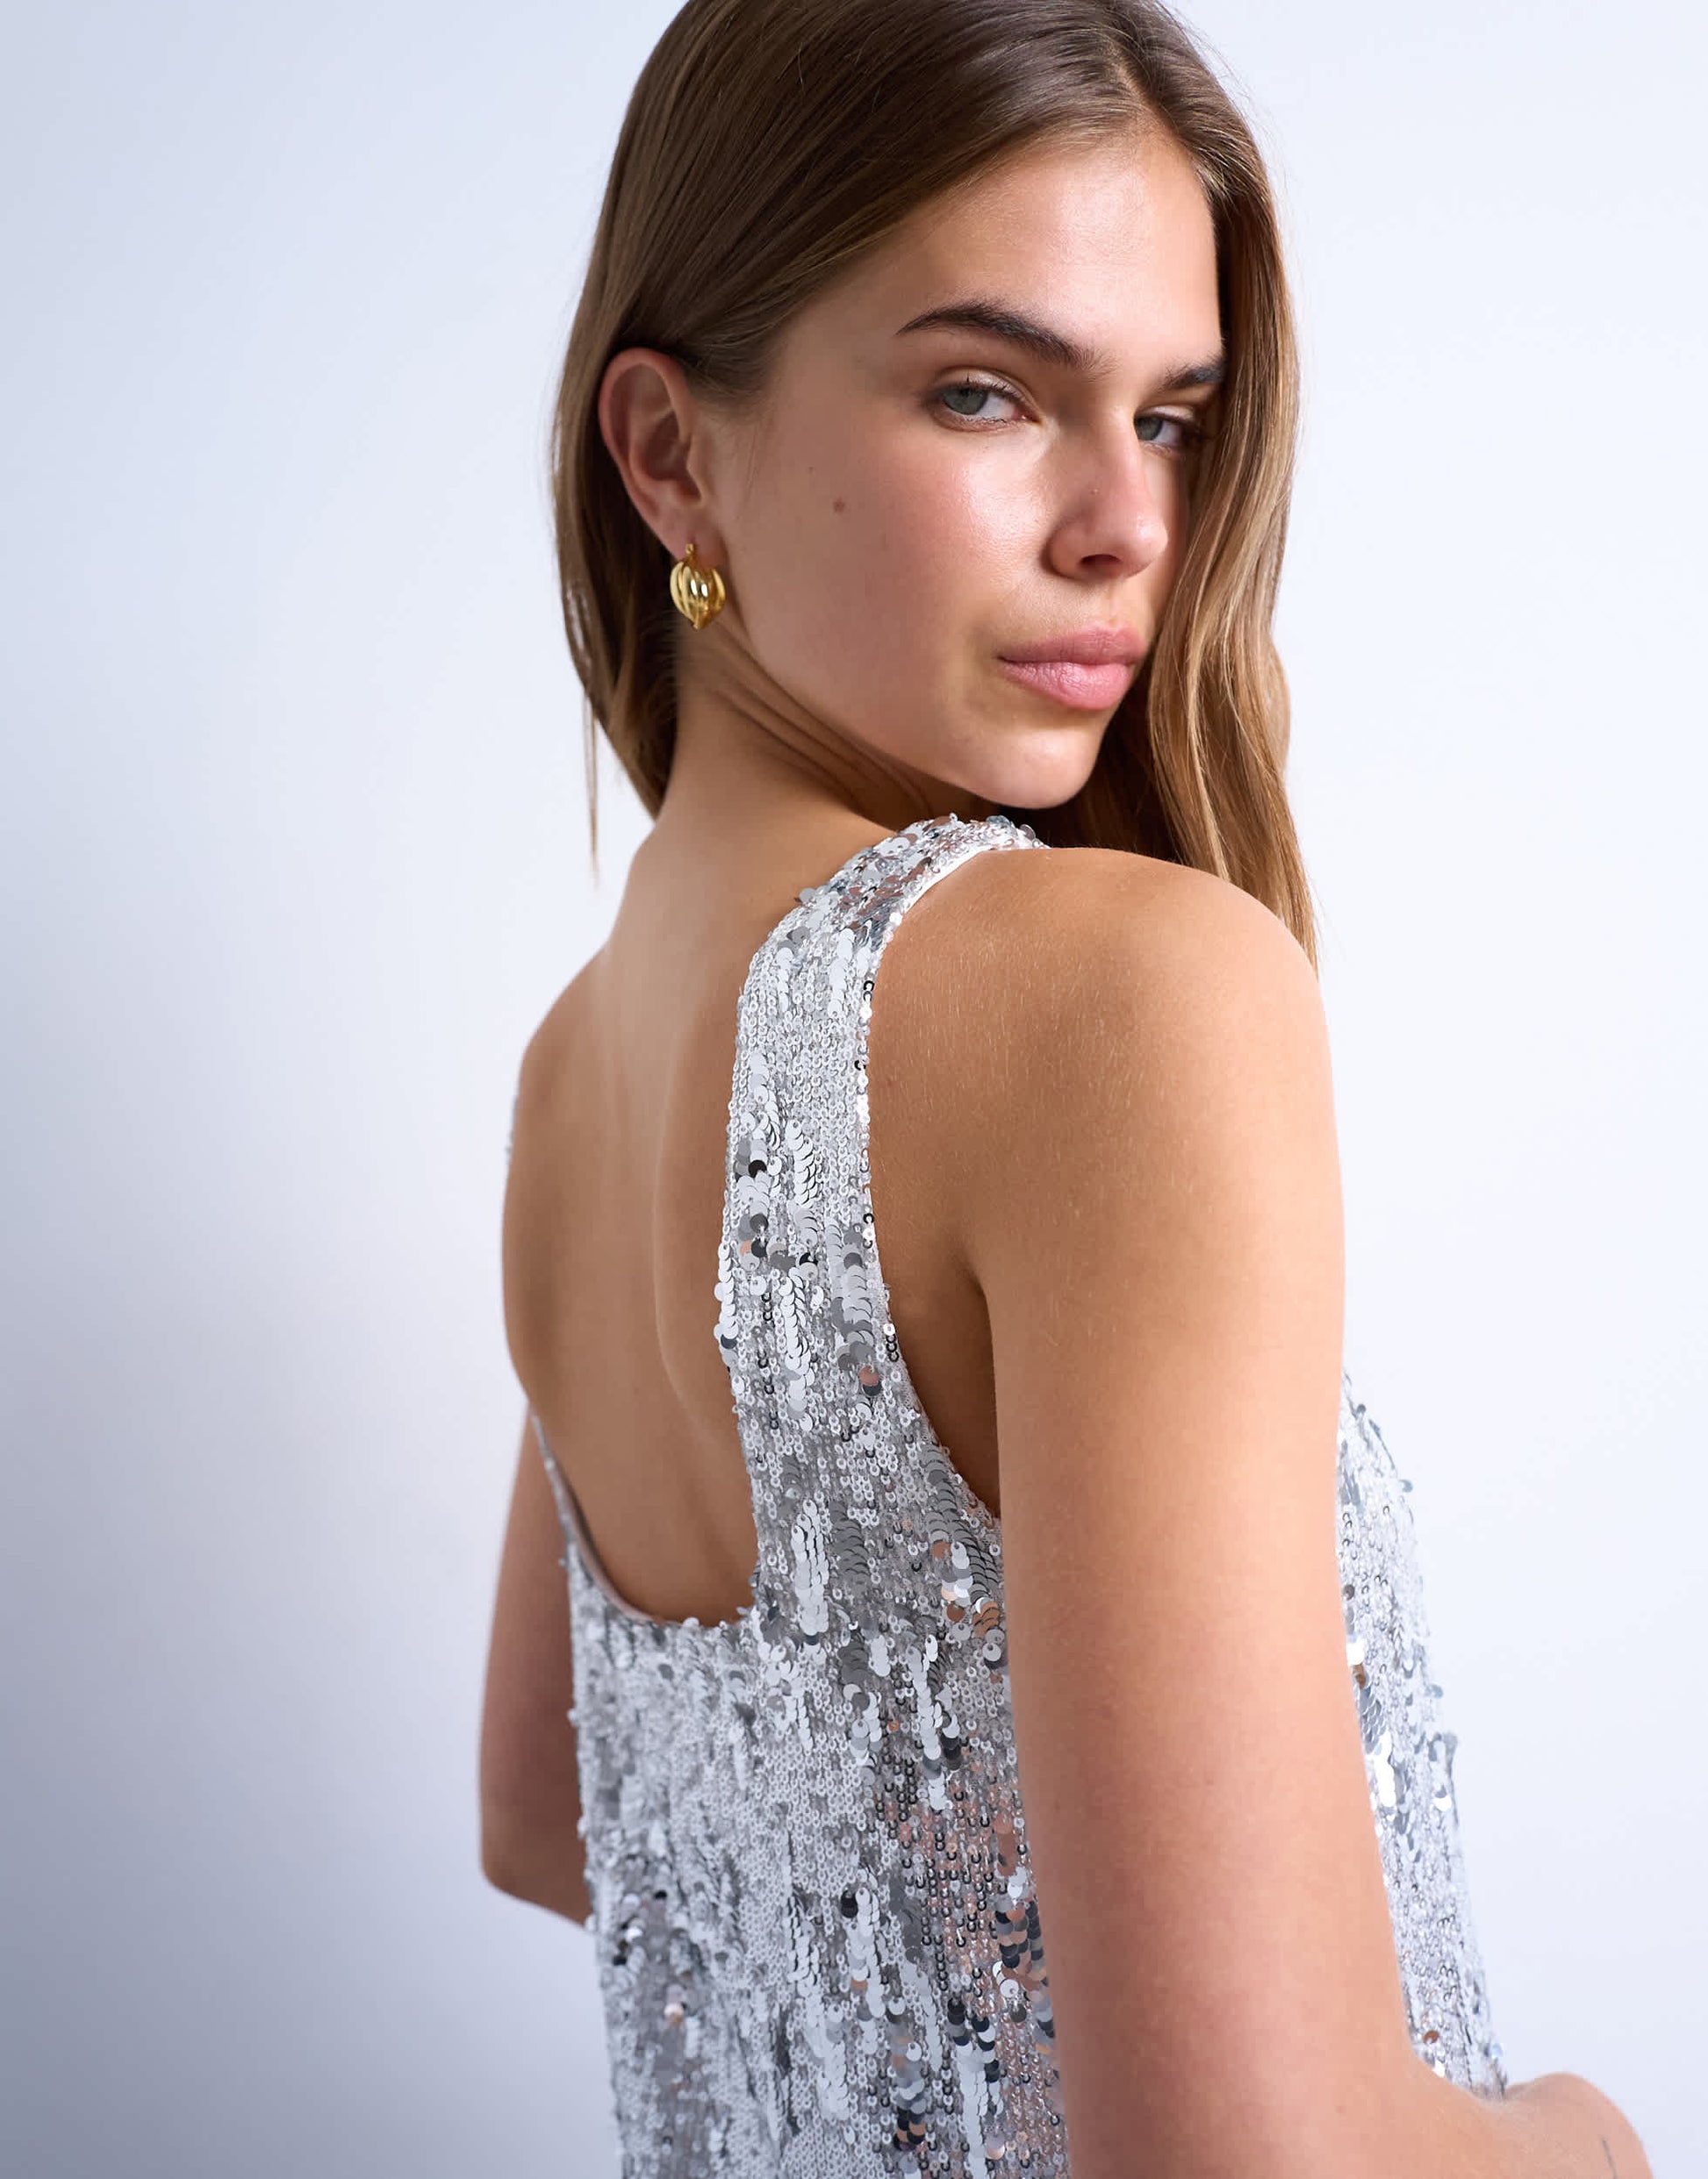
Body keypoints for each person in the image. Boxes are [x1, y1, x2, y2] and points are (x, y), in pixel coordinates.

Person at [478, 2, 1651, 2171]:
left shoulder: (575, 1073)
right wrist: (1584, 2143)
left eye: (1174, 416)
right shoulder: (1118, 995)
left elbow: (554, 1818)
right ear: (669, 455)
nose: (1127, 521)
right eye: (986, 392)